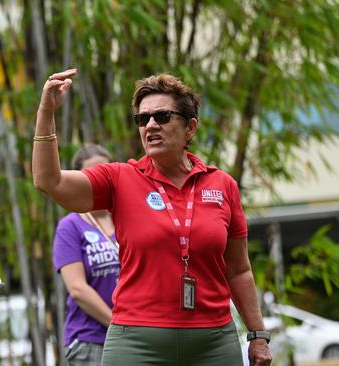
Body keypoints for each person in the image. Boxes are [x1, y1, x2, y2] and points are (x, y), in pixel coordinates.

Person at [33, 69, 272, 366]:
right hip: (136, 344)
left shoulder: (222, 186)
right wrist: (46, 111)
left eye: (162, 117)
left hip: (213, 342)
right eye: (142, 119)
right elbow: (48, 181)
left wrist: (258, 334)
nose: (150, 125)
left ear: (190, 128)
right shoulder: (119, 178)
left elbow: (238, 270)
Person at [53, 144, 120, 366]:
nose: (100, 182)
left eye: (105, 173)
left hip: (133, 339)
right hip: (90, 341)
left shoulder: (125, 218)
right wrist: (120, 325)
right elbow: (78, 289)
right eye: (93, 176)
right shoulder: (70, 226)